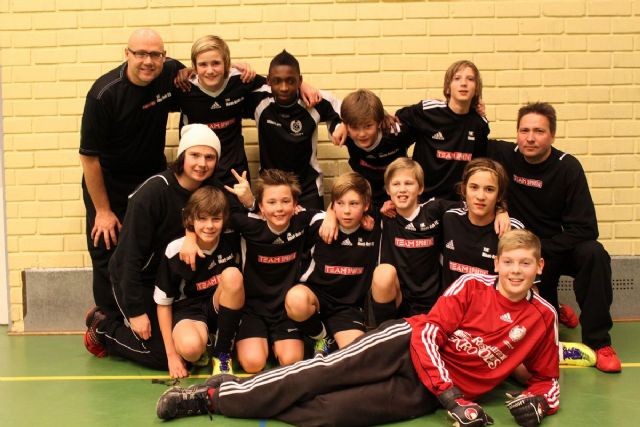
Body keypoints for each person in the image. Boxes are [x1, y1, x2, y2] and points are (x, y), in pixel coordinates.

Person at [156, 229, 560, 427]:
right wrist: (452, 396)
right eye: (509, 262)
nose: (516, 271)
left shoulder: (543, 317)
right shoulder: (472, 286)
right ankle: (211, 396)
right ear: (497, 264)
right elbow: (429, 334)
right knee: (318, 373)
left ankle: (253, 398)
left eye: (525, 263)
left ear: (539, 267)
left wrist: (539, 405)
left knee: (333, 413)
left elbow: (548, 379)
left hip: (429, 391)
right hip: (405, 345)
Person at [487, 102, 621, 373]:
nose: (530, 138)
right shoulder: (504, 155)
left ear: (552, 135)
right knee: (545, 331)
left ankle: (599, 343)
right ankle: (555, 308)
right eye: (524, 130)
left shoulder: (568, 167)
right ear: (517, 133)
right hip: (524, 255)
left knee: (594, 253)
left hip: (556, 248)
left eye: (539, 131)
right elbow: (464, 138)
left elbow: (586, 229)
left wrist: (542, 249)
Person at [83, 124, 224, 370]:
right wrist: (136, 311)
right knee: (161, 354)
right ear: (182, 156)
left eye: (209, 157)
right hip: (140, 281)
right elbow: (127, 259)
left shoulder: (211, 189)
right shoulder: (152, 194)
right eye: (195, 155)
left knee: (187, 348)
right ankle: (103, 328)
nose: (202, 163)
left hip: (174, 284)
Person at [79, 28, 185, 314]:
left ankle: (149, 315)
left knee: (154, 247)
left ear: (164, 56)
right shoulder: (104, 94)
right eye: (140, 54)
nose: (148, 61)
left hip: (150, 180)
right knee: (109, 249)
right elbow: (89, 158)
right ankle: (107, 321)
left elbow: (206, 74)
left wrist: (239, 68)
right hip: (110, 186)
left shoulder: (169, 72)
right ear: (127, 54)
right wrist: (103, 211)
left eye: (155, 54)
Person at [176, 37, 321, 190]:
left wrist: (302, 85)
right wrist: (183, 71)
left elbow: (276, 83)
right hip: (198, 170)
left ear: (226, 63)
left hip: (234, 170)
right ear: (194, 67)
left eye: (216, 63)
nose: (210, 70)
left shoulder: (241, 80)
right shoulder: (183, 87)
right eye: (203, 64)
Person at [224, 169, 325, 373]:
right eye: (271, 202)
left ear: (295, 204)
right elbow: (210, 220)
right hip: (253, 309)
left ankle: (320, 338)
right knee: (253, 363)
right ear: (260, 206)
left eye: (285, 201)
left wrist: (331, 219)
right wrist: (190, 236)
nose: (279, 208)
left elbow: (336, 214)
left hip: (285, 310)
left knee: (291, 361)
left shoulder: (302, 220)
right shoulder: (248, 224)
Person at [155, 186, 244, 378]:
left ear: (224, 219)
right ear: (191, 220)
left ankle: (222, 355)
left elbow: (259, 219)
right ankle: (207, 341)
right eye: (202, 219)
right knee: (191, 349)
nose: (209, 226)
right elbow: (163, 304)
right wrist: (171, 355)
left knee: (233, 275)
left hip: (219, 304)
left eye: (216, 219)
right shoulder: (175, 250)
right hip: (189, 310)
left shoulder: (231, 237)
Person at [285, 172, 379, 354]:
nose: (346, 211)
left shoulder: (375, 226)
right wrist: (329, 214)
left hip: (347, 306)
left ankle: (332, 338)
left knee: (355, 354)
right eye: (340, 203)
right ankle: (323, 338)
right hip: (315, 297)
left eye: (354, 204)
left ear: (366, 205)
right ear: (333, 204)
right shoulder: (317, 222)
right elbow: (280, 214)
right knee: (296, 299)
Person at [246, 50, 342, 210]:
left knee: (315, 226)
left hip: (308, 188)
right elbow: (227, 83)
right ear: (268, 81)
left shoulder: (313, 99)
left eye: (291, 81)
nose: (284, 87)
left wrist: (340, 126)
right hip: (271, 189)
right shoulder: (259, 100)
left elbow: (350, 109)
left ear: (300, 80)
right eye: (277, 81)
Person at [395, 60, 490, 201]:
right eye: (457, 78)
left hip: (457, 204)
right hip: (423, 199)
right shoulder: (428, 111)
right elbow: (398, 118)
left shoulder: (480, 124)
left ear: (476, 89)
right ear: (448, 87)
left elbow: (478, 168)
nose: (464, 83)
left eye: (470, 79)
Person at [441, 157, 523, 286]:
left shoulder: (513, 230)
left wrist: (501, 209)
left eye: (489, 189)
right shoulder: (449, 219)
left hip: (493, 299)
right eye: (474, 187)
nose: (480, 196)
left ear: (499, 195)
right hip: (451, 298)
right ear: (463, 190)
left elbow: (527, 284)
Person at [335, 89, 413, 214]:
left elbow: (422, 124)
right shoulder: (343, 135)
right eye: (355, 127)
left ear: (379, 122)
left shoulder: (395, 132)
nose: (362, 134)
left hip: (399, 197)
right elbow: (328, 105)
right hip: (368, 199)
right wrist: (343, 125)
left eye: (368, 126)